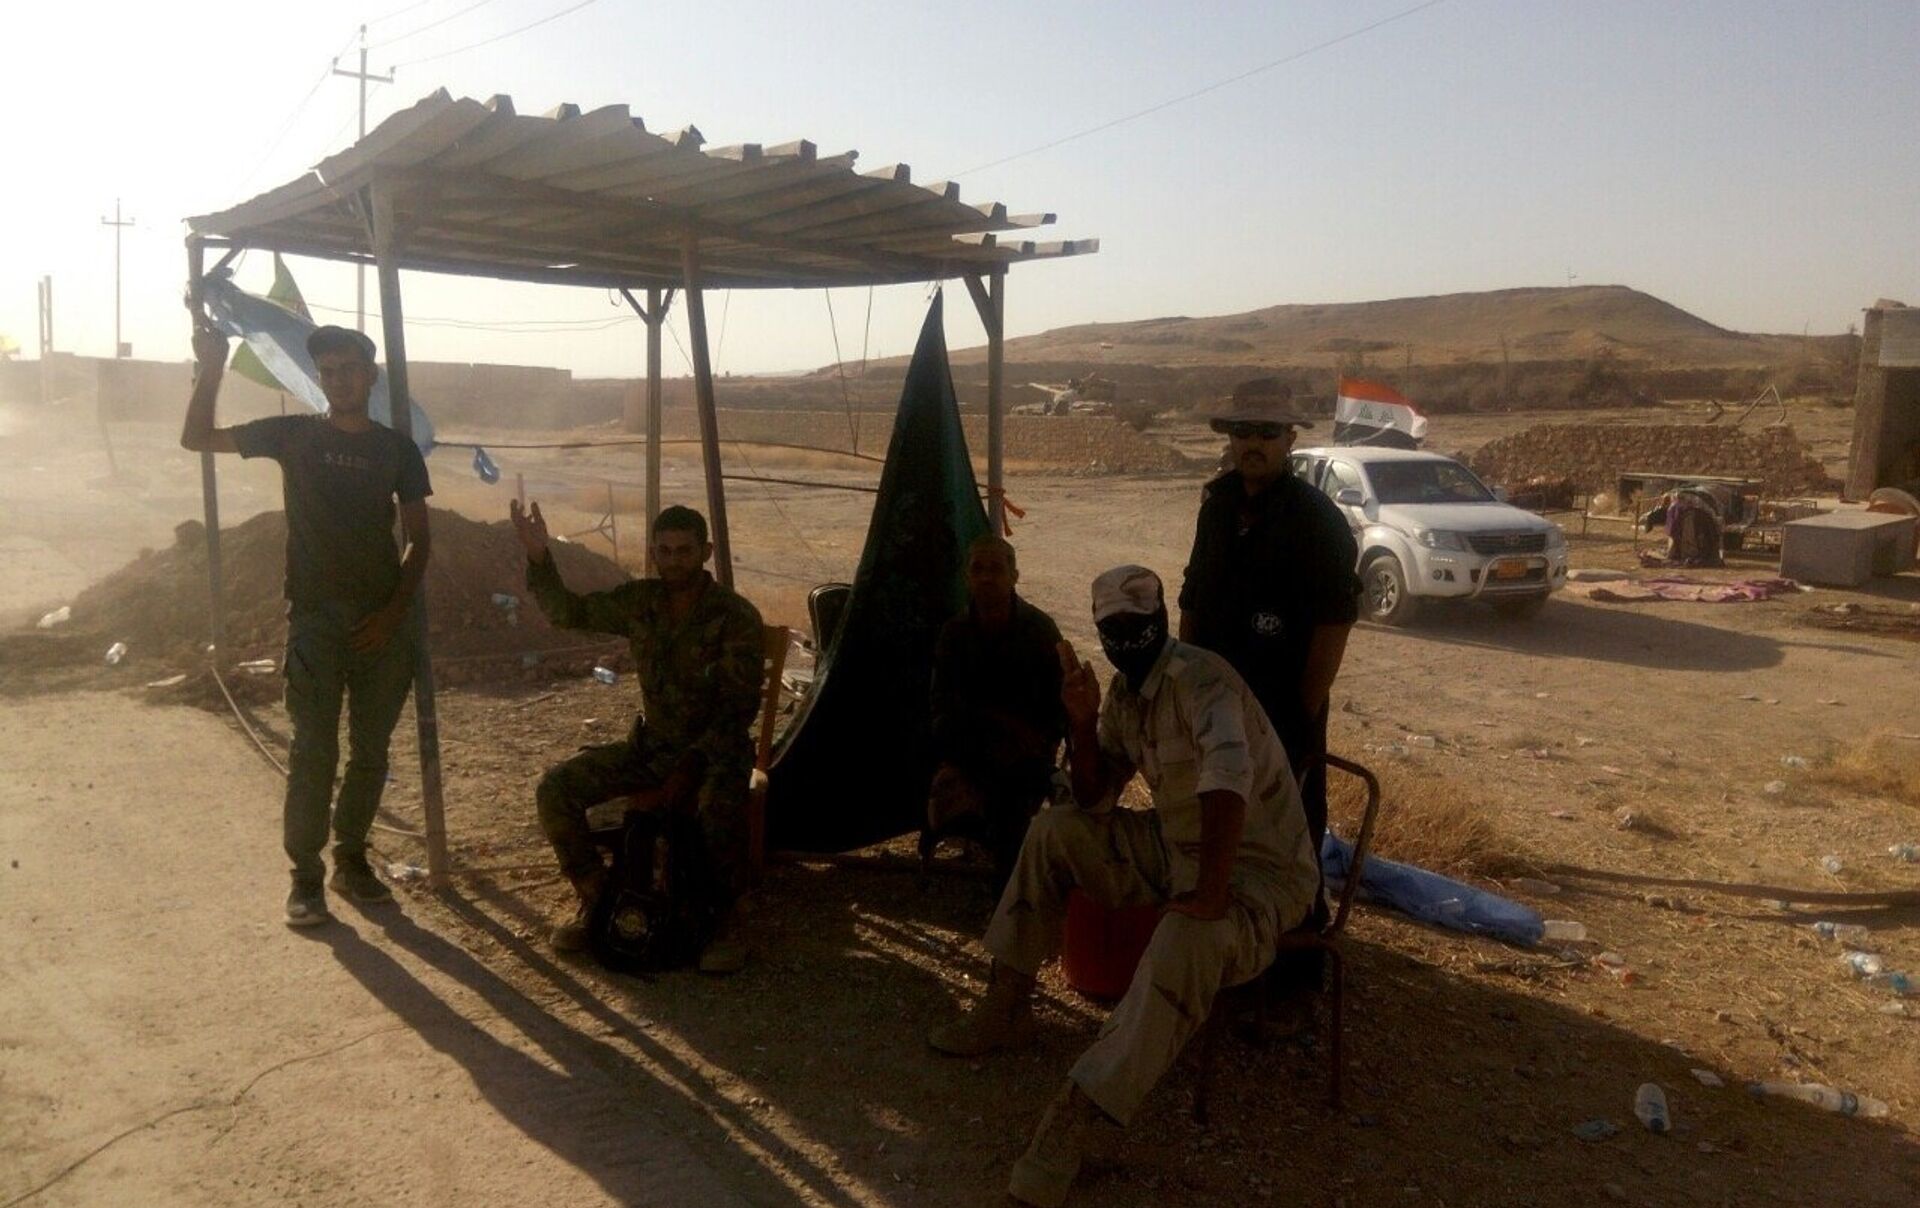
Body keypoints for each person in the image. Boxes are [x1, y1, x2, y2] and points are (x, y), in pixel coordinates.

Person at [927, 566, 1320, 1208]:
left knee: (1185, 941)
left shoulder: (1204, 682)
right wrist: (1082, 724)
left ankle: (1078, 1118)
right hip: (1178, 846)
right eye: (1114, 629)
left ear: (1161, 620)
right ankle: (1008, 1004)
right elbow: (1094, 796)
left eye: (1138, 626)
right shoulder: (1127, 693)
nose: (1127, 639)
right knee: (1054, 832)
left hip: (1258, 872)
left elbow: (1228, 787)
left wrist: (1210, 895)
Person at [180, 320, 432, 927]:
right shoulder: (293, 435)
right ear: (319, 378)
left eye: (349, 369)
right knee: (313, 750)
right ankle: (306, 877)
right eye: (328, 371)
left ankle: (351, 859)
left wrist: (391, 615)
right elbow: (196, 437)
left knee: (370, 752)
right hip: (316, 621)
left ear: (370, 376)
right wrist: (211, 367)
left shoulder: (396, 450)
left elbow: (420, 540)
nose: (338, 380)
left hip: (382, 625)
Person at [511, 500, 764, 974]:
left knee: (716, 806)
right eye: (665, 551)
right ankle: (600, 900)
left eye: (684, 551)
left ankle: (723, 920)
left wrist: (690, 767)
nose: (674, 561)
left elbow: (738, 708)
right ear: (653, 553)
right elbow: (568, 612)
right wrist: (539, 556)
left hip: (716, 753)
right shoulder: (640, 601)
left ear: (706, 552)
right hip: (651, 749)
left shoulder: (734, 616)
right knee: (556, 789)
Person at [1178, 377, 1359, 852]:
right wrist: (1186, 686)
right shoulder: (1216, 508)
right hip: (1213, 699)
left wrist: (1300, 716)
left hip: (1281, 704)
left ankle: (1297, 897)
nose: (1253, 442)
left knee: (1285, 828)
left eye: (1267, 431)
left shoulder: (1317, 519)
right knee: (1210, 819)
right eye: (1243, 431)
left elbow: (1334, 624)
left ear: (1289, 439)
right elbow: (1192, 598)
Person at [924, 535, 1066, 892]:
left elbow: (1061, 702)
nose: (986, 577)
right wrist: (1003, 724)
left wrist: (1038, 740)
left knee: (1011, 792)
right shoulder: (954, 633)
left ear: (1014, 576)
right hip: (974, 747)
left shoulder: (1040, 630)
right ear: (967, 577)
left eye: (996, 569)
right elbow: (943, 703)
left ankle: (1009, 895)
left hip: (1026, 753)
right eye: (978, 569)